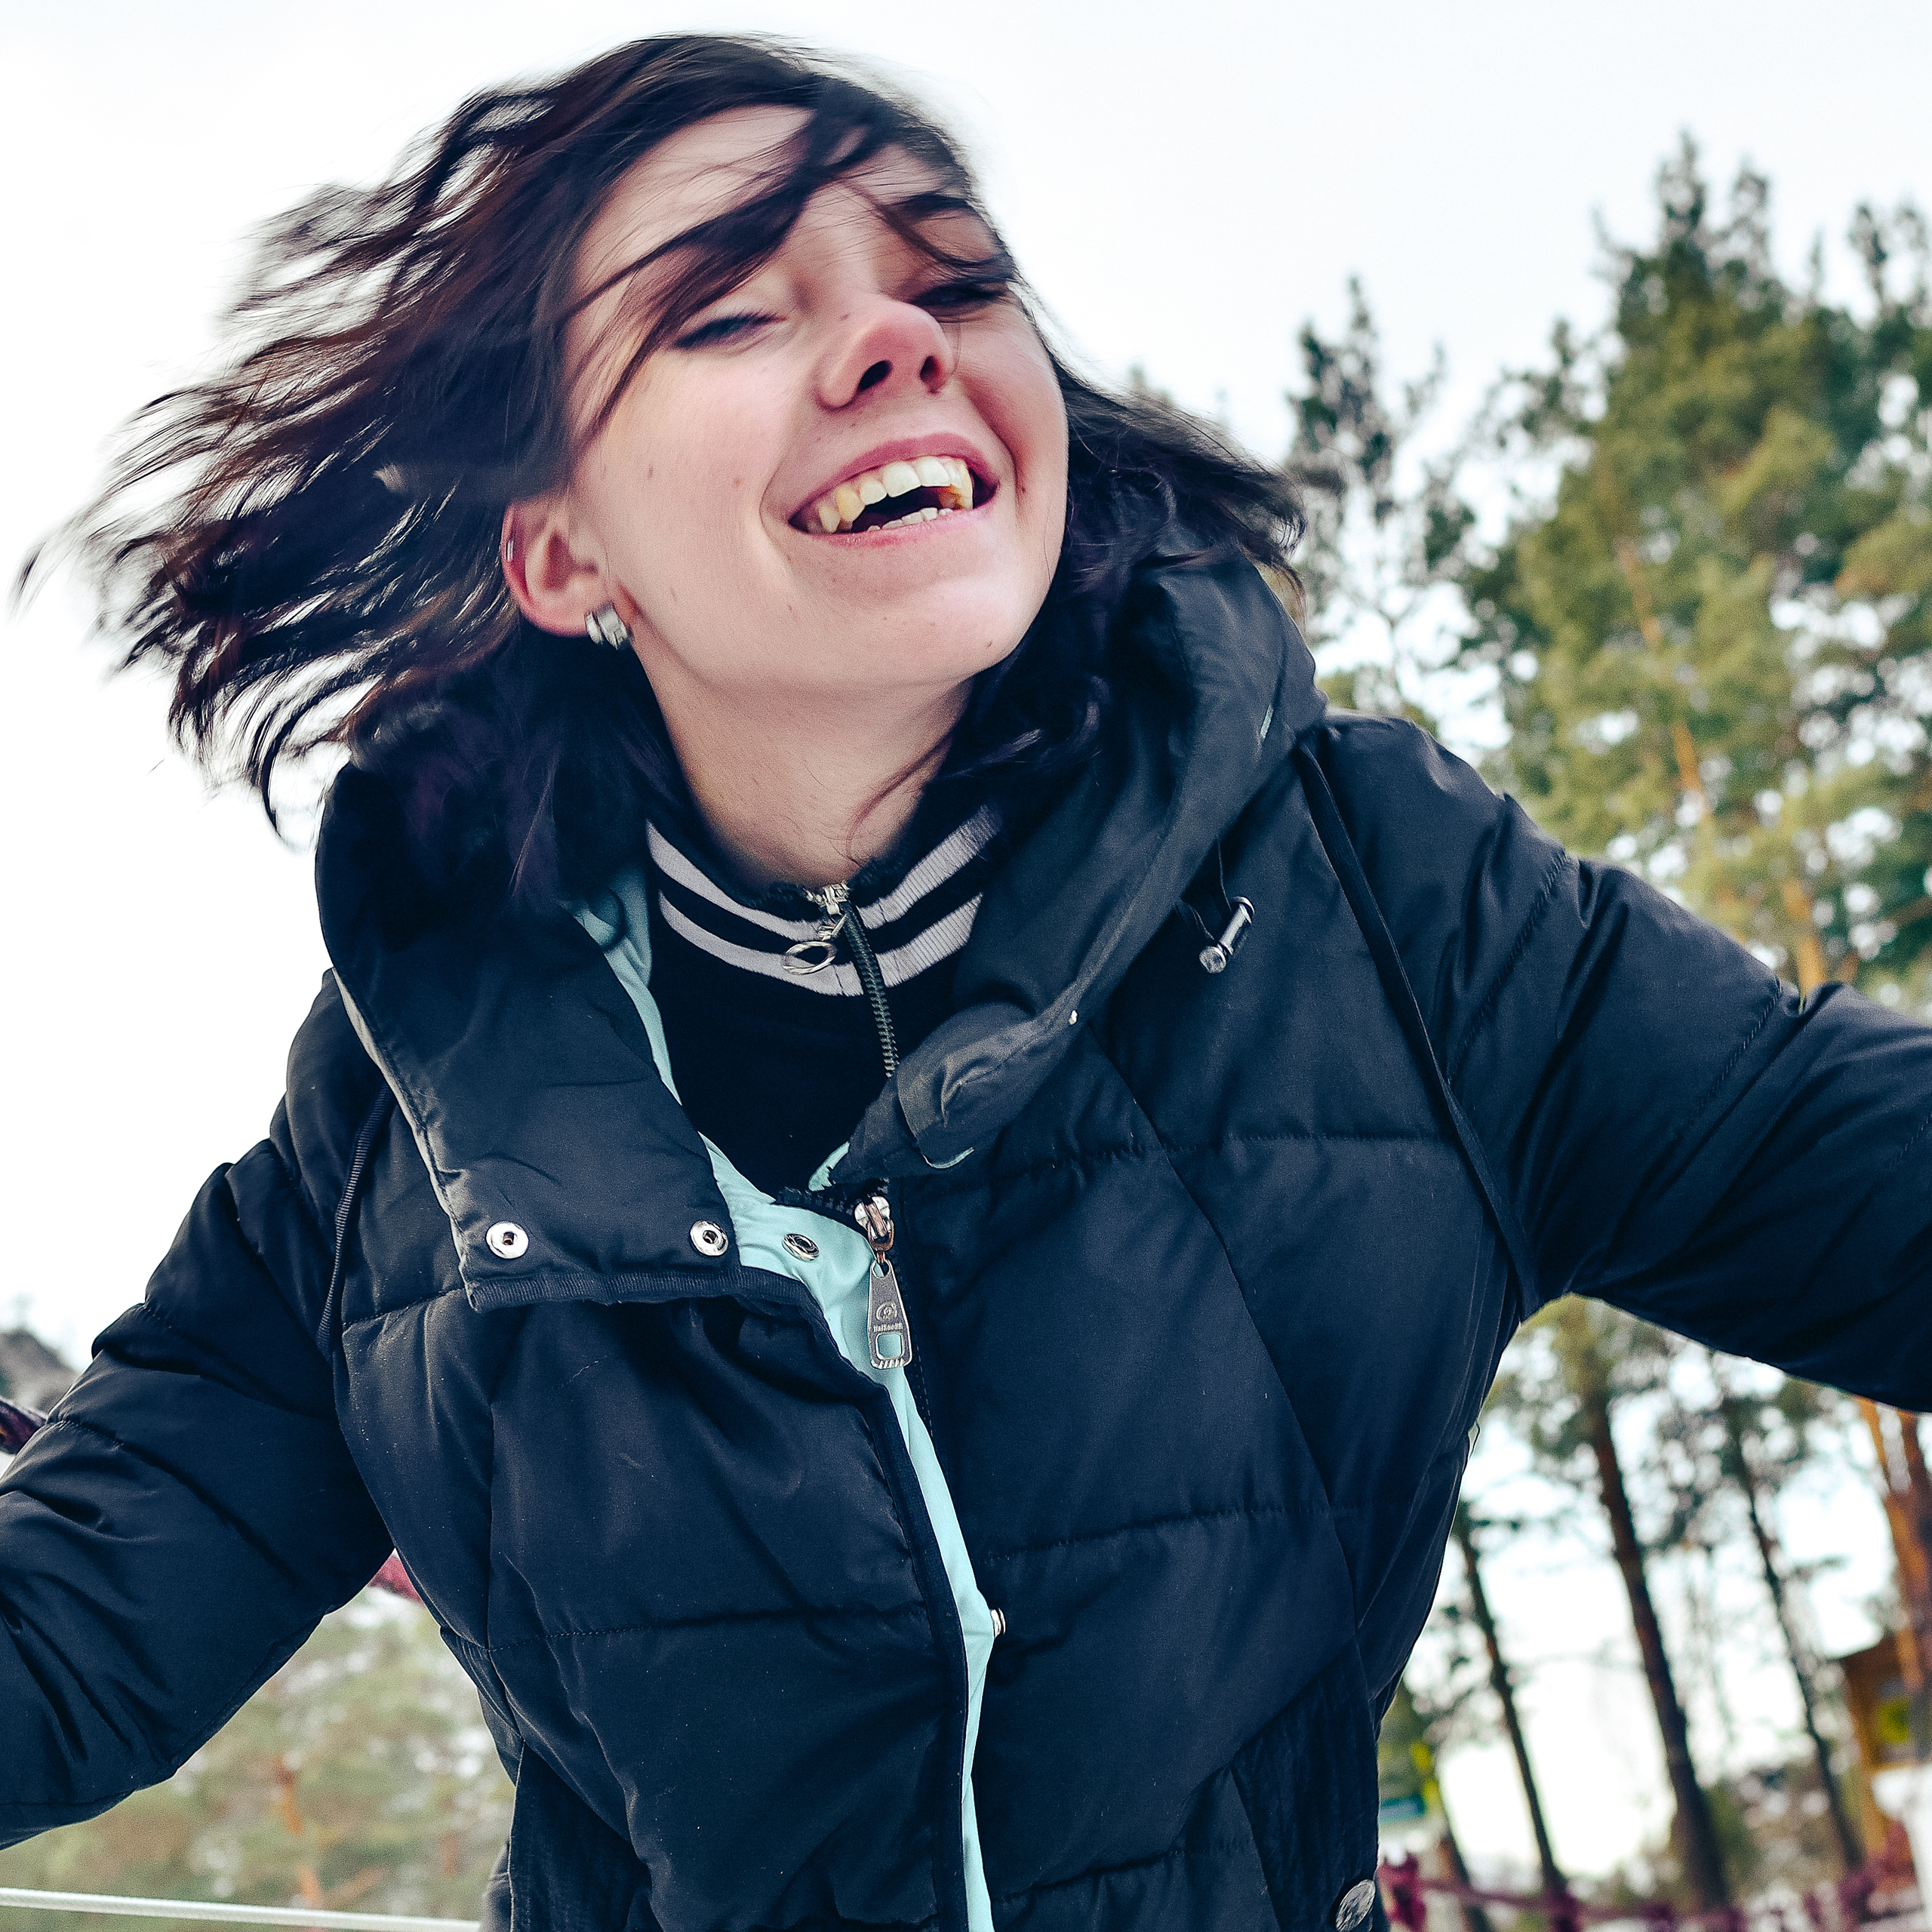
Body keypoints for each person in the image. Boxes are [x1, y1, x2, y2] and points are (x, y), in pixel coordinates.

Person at [4, 32, 1929, 1932]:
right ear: (562, 552)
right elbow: (61, 1639)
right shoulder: (403, 1114)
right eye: (725, 311)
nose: (895, 337)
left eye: (954, 280)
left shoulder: (1384, 903)